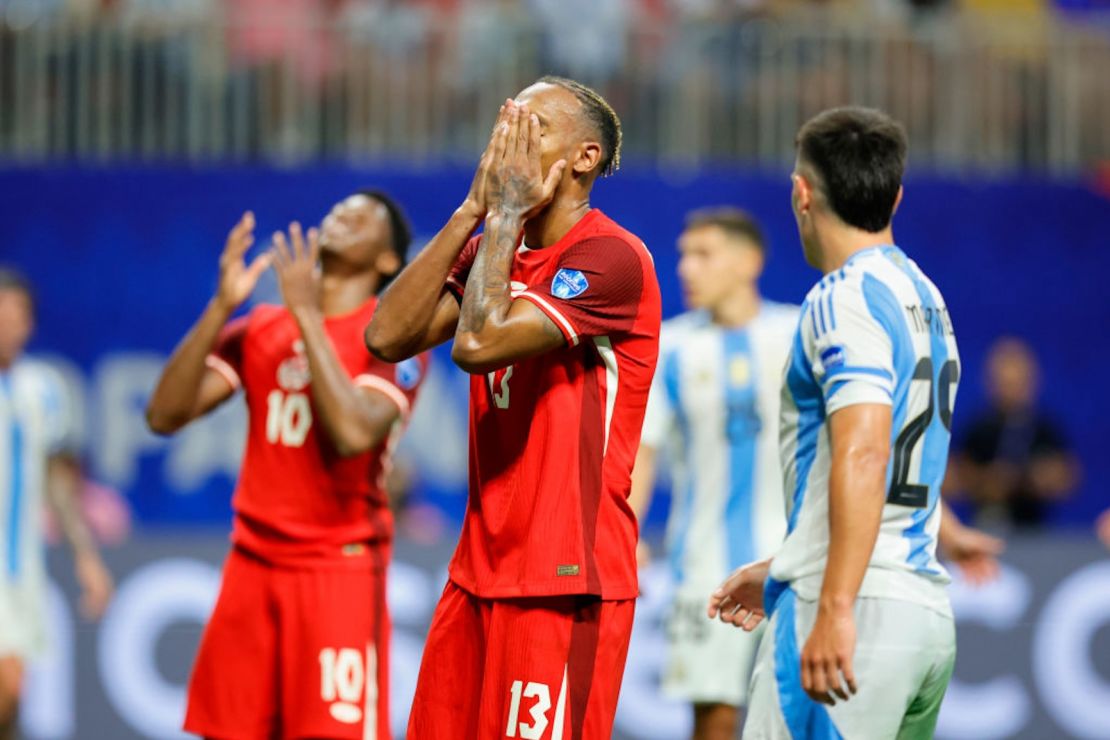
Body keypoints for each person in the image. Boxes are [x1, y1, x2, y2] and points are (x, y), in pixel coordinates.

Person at [365, 78, 660, 738]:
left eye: (534, 130)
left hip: (564, 578)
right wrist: (472, 210)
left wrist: (500, 219)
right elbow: (385, 336)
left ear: (583, 158)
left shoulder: (608, 256)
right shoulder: (496, 246)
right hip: (477, 571)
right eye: (507, 128)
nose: (511, 146)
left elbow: (477, 345)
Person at [707, 107, 994, 738]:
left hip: (852, 611)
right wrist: (787, 566)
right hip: (921, 615)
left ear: (801, 194)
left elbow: (865, 454)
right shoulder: (925, 297)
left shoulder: (842, 298)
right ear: (895, 195)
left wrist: (831, 602)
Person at [146, 191, 427, 740]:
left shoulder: (393, 339)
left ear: (388, 261)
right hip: (251, 565)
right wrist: (222, 307)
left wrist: (305, 314)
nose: (343, 214)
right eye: (339, 209)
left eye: (363, 214)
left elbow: (351, 434)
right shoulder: (260, 328)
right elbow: (164, 414)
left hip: (336, 571)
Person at [628, 207, 799, 740]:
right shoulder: (672, 344)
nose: (685, 268)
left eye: (703, 254)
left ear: (749, 262)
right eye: (682, 255)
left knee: (800, 720)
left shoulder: (798, 332)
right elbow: (642, 452)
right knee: (715, 721)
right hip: (703, 568)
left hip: (798, 564)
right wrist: (625, 536)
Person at [0, 268, 113, 740]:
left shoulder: (43, 389)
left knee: (9, 691)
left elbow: (59, 483)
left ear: (30, 323)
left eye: (16, 314)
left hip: (16, 569)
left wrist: (86, 557)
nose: (6, 324)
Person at [951, 337, 1080, 529]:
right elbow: (951, 479)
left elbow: (1068, 478)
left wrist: (1029, 480)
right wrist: (986, 482)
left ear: (1031, 381)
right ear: (991, 383)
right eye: (1004, 383)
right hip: (983, 525)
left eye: (1017, 383)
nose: (1010, 391)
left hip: (1034, 533)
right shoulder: (978, 428)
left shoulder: (1044, 428)